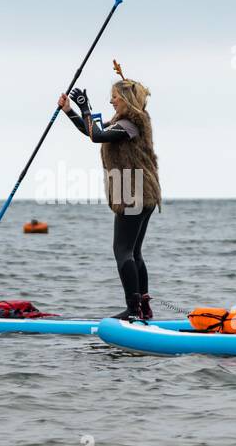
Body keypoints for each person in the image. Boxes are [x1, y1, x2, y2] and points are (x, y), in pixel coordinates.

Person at [59, 61, 162, 319]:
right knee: (134, 251)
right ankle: (143, 308)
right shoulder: (126, 122)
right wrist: (70, 110)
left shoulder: (130, 124)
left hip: (133, 192)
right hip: (143, 191)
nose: (111, 102)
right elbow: (93, 131)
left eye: (114, 98)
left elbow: (98, 136)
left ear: (126, 100)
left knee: (123, 251)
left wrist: (86, 107)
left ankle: (134, 309)